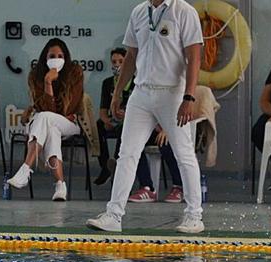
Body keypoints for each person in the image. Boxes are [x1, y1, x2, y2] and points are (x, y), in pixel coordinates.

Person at [87, 0, 205, 234]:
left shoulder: (184, 11)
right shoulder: (139, 12)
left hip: (172, 93)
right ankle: (114, 215)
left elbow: (194, 57)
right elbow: (131, 56)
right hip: (141, 93)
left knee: (184, 153)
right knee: (127, 153)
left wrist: (189, 97)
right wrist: (118, 92)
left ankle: (194, 216)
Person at [6, 38, 85, 201]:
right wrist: (47, 82)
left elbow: (68, 109)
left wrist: (51, 84)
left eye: (60, 55)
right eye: (51, 56)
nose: (56, 59)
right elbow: (45, 108)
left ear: (66, 57)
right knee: (51, 131)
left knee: (44, 117)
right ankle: (60, 185)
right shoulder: (36, 75)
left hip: (70, 124)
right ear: (45, 58)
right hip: (46, 125)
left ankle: (26, 168)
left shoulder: (75, 72)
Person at [94, 47, 130, 185]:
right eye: (114, 62)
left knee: (124, 129)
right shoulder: (107, 83)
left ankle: (116, 163)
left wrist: (125, 115)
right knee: (98, 125)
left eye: (121, 61)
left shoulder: (136, 82)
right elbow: (102, 110)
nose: (117, 65)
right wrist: (106, 120)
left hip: (129, 121)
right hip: (113, 119)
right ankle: (105, 166)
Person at [128, 127, 185, 203]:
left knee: (165, 141)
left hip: (174, 128)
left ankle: (179, 186)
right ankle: (147, 187)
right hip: (150, 128)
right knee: (131, 140)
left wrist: (167, 129)